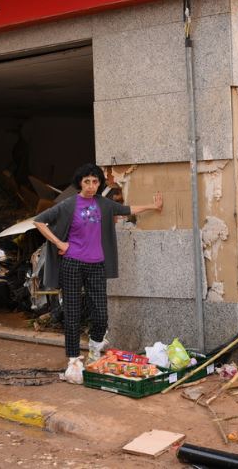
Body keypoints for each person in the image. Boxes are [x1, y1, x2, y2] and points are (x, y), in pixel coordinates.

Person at [33, 163, 162, 384]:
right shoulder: (68, 205)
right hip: (72, 263)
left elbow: (127, 209)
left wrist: (153, 205)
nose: (92, 186)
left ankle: (94, 351)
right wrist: (59, 243)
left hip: (96, 265)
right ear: (79, 183)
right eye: (87, 182)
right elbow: (39, 221)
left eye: (95, 182)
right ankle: (73, 360)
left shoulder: (104, 204)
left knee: (101, 315)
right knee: (72, 313)